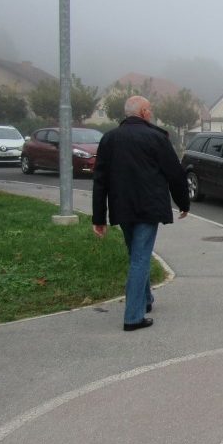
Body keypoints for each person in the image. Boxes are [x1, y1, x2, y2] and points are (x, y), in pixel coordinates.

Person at [92, 95, 190, 332]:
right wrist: (183, 202)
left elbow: (100, 180)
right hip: (149, 207)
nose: (152, 112)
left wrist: (99, 217)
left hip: (122, 208)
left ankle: (145, 300)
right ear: (144, 112)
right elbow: (174, 173)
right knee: (139, 258)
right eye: (151, 109)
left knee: (137, 255)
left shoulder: (109, 138)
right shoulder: (157, 138)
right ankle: (133, 317)